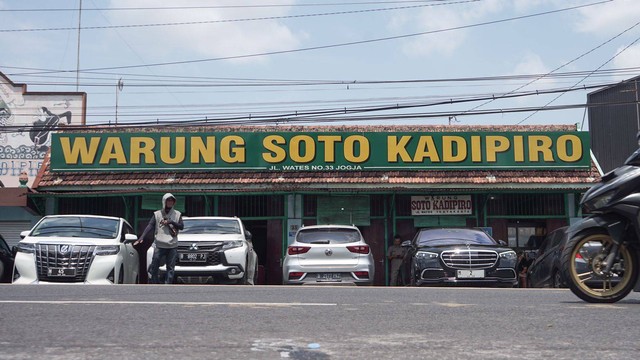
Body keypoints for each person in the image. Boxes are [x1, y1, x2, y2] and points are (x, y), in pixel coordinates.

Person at [134, 193, 184, 284]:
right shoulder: (157, 214)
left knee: (170, 267)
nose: (170, 202)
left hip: (172, 244)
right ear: (164, 201)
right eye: (168, 200)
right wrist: (141, 237)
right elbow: (150, 225)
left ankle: (168, 283)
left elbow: (181, 226)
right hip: (160, 244)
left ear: (174, 202)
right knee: (155, 263)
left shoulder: (177, 214)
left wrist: (171, 222)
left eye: (171, 201)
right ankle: (154, 282)